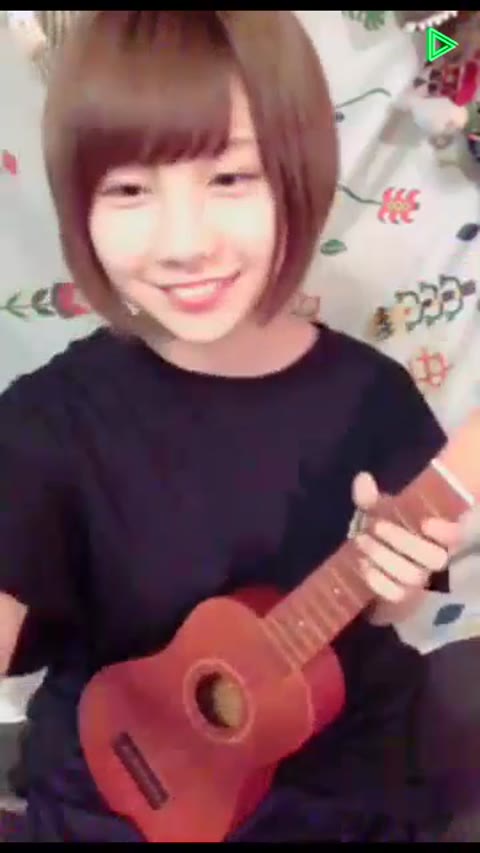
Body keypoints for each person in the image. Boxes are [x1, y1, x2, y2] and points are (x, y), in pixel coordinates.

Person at [0, 10, 467, 843]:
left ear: (297, 173)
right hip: (113, 803)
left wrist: (394, 574)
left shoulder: (375, 396)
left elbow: (393, 604)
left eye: (230, 178)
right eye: (130, 189)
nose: (184, 243)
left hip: (342, 795)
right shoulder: (46, 424)